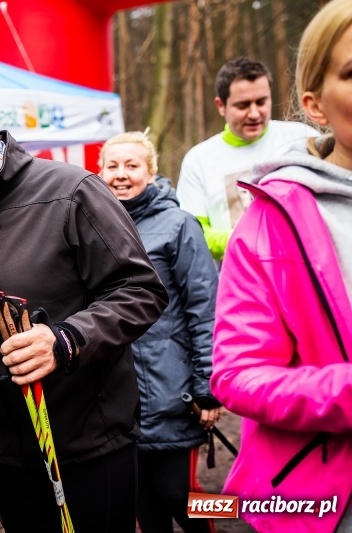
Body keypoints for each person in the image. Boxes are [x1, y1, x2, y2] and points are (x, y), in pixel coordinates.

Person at [0, 72, 169, 532]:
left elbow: (142, 290)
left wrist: (65, 340)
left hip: (90, 445)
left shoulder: (72, 191)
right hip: (6, 453)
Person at [210, 1, 352, 531]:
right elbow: (236, 370)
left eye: (261, 102)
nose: (253, 113)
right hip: (322, 501)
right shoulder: (271, 215)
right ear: (315, 105)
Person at [99, 131, 220, 533]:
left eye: (131, 165)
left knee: (186, 499)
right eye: (112, 166)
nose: (121, 174)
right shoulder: (93, 228)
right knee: (144, 510)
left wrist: (208, 387)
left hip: (174, 396)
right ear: (100, 173)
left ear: (151, 172)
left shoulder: (179, 225)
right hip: (118, 405)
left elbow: (205, 309)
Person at [177, 57, 319, 261]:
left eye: (261, 102)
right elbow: (195, 233)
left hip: (304, 270)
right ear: (221, 105)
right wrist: (251, 239)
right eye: (243, 105)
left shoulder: (303, 138)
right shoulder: (198, 160)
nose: (254, 113)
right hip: (236, 282)